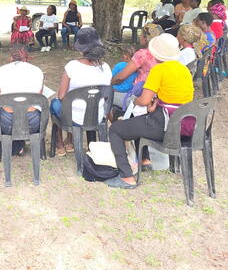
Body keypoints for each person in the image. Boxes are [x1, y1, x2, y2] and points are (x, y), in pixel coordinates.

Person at [107, 33, 194, 189]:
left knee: (116, 129)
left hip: (165, 125)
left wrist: (136, 100)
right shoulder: (184, 70)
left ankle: (126, 177)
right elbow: (178, 97)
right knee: (139, 122)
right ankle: (144, 159)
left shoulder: (158, 70)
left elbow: (144, 100)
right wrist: (157, 102)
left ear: (155, 53)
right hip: (185, 123)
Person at [50, 27, 111, 156]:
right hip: (97, 115)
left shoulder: (72, 66)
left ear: (80, 47)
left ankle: (60, 143)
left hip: (75, 118)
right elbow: (106, 95)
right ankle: (70, 141)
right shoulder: (106, 68)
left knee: (55, 103)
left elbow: (61, 96)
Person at [0, 44, 44, 155]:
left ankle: (15, 145)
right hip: (33, 123)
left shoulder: (0, 71)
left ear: (10, 57)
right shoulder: (37, 71)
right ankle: (20, 144)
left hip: (7, 124)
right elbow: (39, 100)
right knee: (26, 109)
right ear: (27, 57)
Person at [110, 23, 162, 108]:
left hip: (140, 96)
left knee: (105, 98)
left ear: (145, 38)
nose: (140, 37)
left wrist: (109, 84)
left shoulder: (143, 54)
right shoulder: (163, 54)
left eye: (141, 35)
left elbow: (121, 77)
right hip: (157, 96)